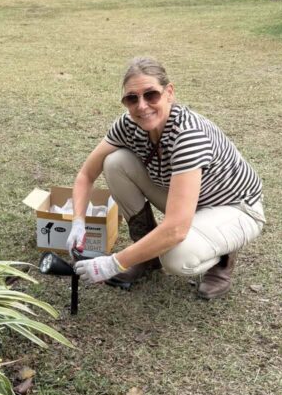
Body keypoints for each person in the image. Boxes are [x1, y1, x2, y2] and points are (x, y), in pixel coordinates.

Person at [68, 56, 265, 300]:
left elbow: (175, 229)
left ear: (169, 92)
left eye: (151, 95)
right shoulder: (128, 125)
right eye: (132, 98)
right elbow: (87, 174)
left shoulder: (188, 135)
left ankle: (224, 258)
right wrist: (77, 221)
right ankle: (147, 258)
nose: (141, 106)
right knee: (115, 162)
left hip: (236, 207)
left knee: (175, 256)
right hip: (188, 200)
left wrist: (113, 263)